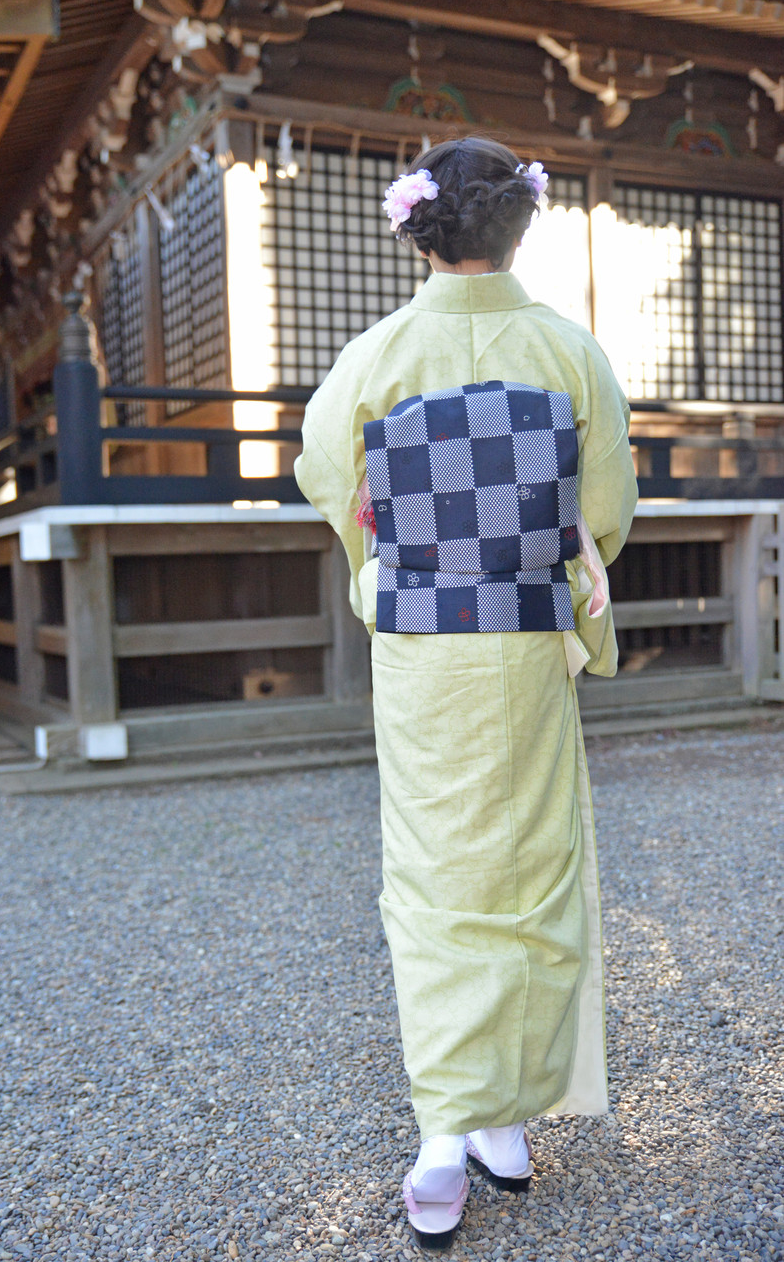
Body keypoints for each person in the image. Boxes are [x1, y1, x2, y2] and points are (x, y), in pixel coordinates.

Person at [294, 137, 638, 1250]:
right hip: (526, 634)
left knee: (437, 874)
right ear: (518, 227)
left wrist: (378, 558)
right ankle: (500, 1123)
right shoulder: (568, 349)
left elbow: (327, 472)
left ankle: (453, 1135)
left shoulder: (377, 353)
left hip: (422, 645)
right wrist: (556, 571)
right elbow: (605, 505)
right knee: (531, 866)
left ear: (419, 232)